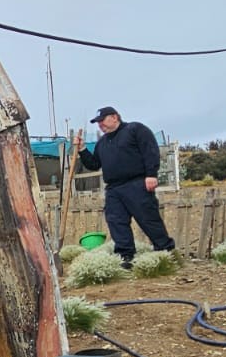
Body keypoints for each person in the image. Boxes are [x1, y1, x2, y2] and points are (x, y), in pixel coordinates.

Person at [74, 107, 176, 269]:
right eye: (98, 123)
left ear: (114, 117)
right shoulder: (102, 142)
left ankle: (165, 250)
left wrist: (151, 174)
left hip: (136, 183)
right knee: (116, 221)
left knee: (148, 218)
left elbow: (150, 150)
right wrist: (82, 149)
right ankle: (125, 256)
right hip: (114, 188)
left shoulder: (134, 129)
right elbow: (94, 164)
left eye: (103, 120)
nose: (100, 125)